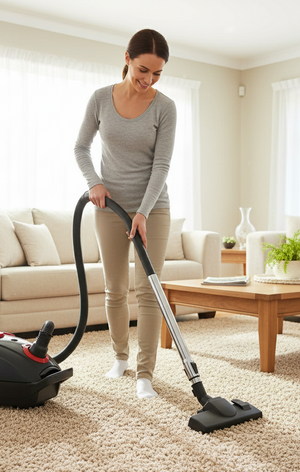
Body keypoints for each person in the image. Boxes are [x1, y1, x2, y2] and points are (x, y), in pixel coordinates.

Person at [74, 29, 177, 399]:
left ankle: (145, 374)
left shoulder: (165, 107)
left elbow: (162, 165)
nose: (148, 80)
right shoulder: (101, 99)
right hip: (108, 207)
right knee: (115, 288)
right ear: (127, 58)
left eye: (157, 74)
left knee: (149, 290)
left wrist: (144, 212)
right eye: (143, 70)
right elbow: (81, 148)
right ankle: (120, 357)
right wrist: (95, 183)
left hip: (153, 209)